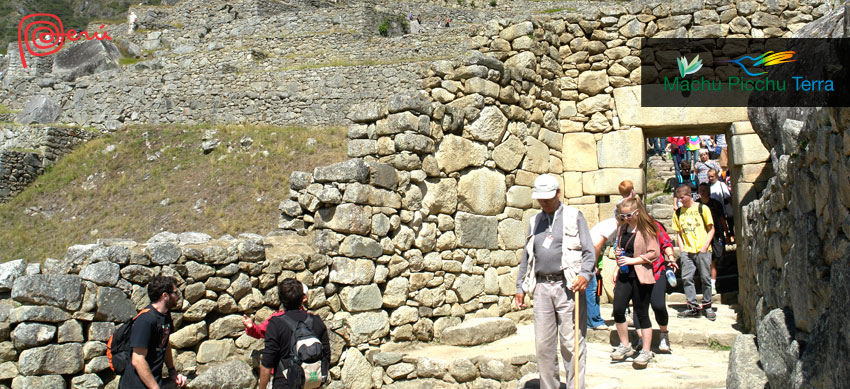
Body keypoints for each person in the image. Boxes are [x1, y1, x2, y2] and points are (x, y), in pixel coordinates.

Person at [515, 174, 595, 389]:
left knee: (571, 343)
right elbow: (527, 256)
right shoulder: (534, 221)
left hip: (567, 286)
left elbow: (589, 251)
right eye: (541, 199)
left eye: (548, 198)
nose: (545, 202)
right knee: (543, 345)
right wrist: (520, 287)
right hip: (541, 286)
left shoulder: (574, 216)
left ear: (558, 194)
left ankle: (574, 386)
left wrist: (585, 275)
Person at [609, 198, 659, 369]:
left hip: (641, 275)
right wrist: (618, 256)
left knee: (641, 312)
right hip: (625, 275)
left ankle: (646, 350)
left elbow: (654, 253)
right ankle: (625, 345)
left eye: (629, 215)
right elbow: (621, 249)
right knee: (617, 309)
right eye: (623, 216)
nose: (626, 218)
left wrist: (633, 260)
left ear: (637, 212)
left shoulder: (647, 229)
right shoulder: (622, 228)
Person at [259, 278, 330, 389]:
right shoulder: (316, 321)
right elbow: (326, 356)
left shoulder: (276, 324)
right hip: (311, 384)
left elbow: (267, 364)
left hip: (284, 384)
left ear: (281, 299)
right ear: (302, 298)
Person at [119, 275, 187, 389]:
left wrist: (172, 371)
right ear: (165, 296)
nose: (178, 296)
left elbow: (164, 343)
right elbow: (138, 359)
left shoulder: (165, 316)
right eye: (175, 293)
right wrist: (155, 387)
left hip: (153, 382)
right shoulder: (146, 320)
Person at [630, 200, 678, 354]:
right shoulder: (627, 229)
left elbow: (665, 243)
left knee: (658, 305)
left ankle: (664, 333)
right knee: (639, 307)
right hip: (636, 272)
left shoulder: (654, 226)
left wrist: (671, 258)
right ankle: (642, 339)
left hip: (656, 270)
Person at [673, 185, 716, 320]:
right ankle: (692, 306)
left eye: (682, 198)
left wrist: (704, 247)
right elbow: (678, 233)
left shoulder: (702, 208)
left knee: (705, 278)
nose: (680, 201)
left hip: (702, 249)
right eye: (678, 198)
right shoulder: (678, 213)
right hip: (687, 251)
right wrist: (682, 248)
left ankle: (707, 306)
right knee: (686, 278)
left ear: (689, 195)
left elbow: (711, 229)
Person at [699, 183, 728, 294]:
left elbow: (722, 219)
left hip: (714, 236)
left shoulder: (716, 204)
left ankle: (713, 284)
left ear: (709, 191)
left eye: (705, 190)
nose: (703, 192)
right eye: (701, 190)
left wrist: (727, 234)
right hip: (700, 236)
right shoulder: (696, 204)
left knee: (713, 261)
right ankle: (706, 284)